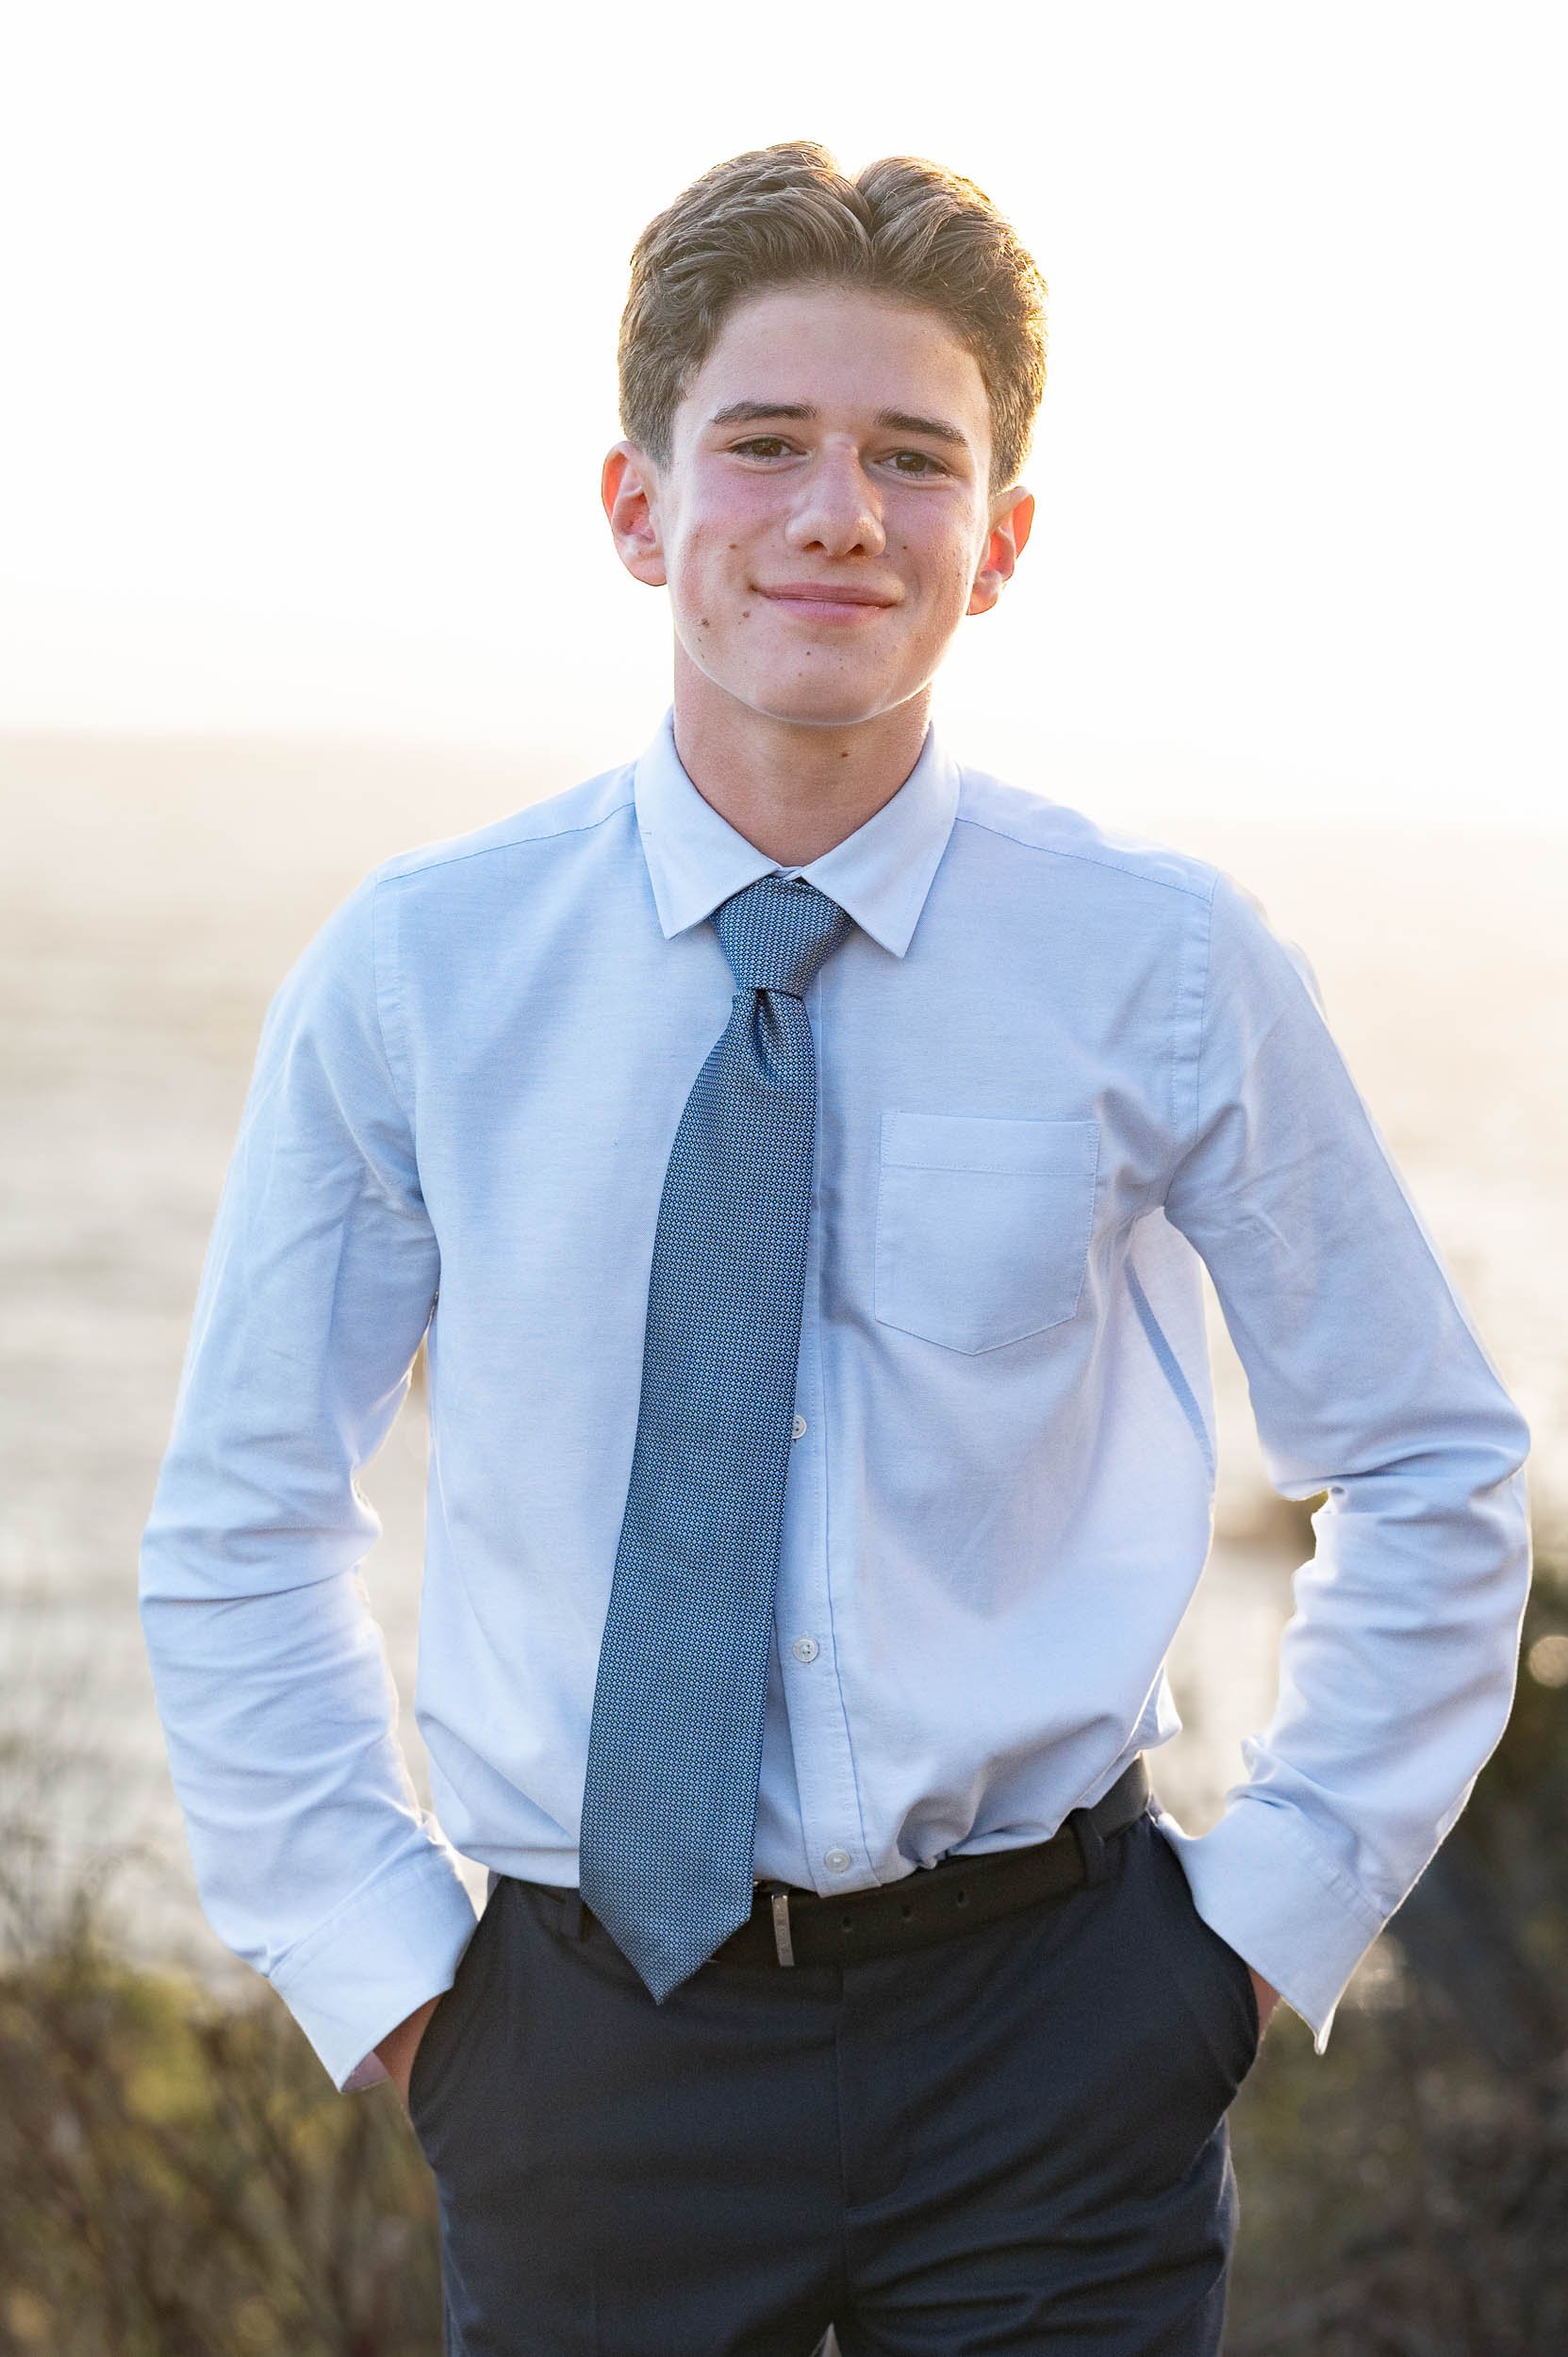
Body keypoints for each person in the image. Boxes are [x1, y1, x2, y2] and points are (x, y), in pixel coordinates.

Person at [139, 141, 1532, 2355]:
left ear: (1001, 542)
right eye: (766, 442)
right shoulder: (421, 971)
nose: (837, 514)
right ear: (637, 506)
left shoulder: (1163, 962)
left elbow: (1432, 1464)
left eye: (912, 457)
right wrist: (398, 1980)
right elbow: (242, 1518)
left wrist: (1257, 1928)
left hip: (1056, 2034)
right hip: (589, 2050)